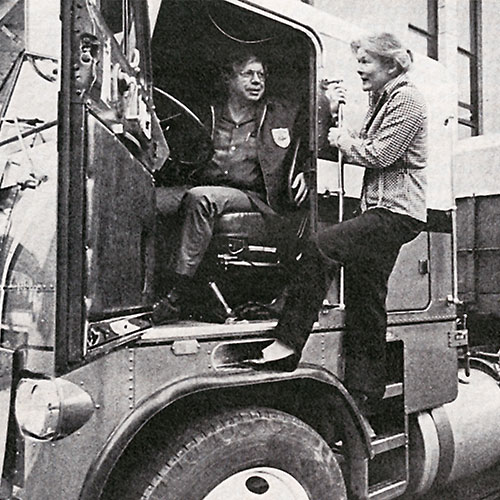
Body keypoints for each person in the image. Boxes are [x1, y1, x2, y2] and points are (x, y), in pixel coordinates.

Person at [245, 32, 427, 414]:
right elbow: (357, 142)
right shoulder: (383, 98)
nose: (359, 69)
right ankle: (365, 392)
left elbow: (379, 155)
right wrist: (337, 112)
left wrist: (344, 138)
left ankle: (288, 344)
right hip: (381, 210)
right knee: (366, 296)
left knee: (321, 244)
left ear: (390, 65)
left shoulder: (407, 100)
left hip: (396, 213)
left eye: (366, 62)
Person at [152, 49, 308, 324]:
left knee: (202, 199)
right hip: (201, 184)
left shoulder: (278, 113)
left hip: (250, 195)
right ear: (228, 79)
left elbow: (314, 126)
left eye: (261, 75)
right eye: (248, 74)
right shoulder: (208, 111)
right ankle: (141, 290)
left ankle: (177, 294)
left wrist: (309, 171)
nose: (257, 81)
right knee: (146, 199)